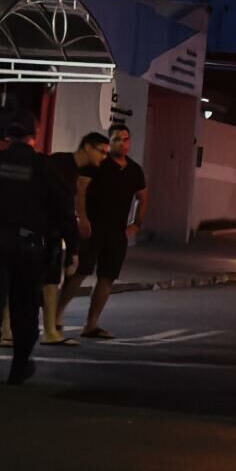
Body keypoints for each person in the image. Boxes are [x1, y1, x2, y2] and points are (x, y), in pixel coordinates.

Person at [0, 115, 80, 385]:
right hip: (28, 246)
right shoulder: (42, 167)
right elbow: (63, 208)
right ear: (34, 136)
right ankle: (19, 367)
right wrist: (73, 248)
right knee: (25, 307)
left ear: (7, 137)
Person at [63, 122, 148, 340]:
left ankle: (91, 325)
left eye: (126, 139)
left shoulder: (134, 170)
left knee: (107, 277)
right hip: (93, 228)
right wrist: (82, 219)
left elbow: (143, 196)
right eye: (117, 139)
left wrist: (136, 223)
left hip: (116, 232)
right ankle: (55, 316)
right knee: (80, 271)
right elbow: (80, 190)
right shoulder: (98, 163)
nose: (122, 143)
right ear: (109, 143)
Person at [39, 131, 108, 345]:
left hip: (51, 231)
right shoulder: (62, 166)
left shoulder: (69, 167)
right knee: (36, 280)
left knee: (50, 281)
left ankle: (49, 329)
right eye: (101, 152)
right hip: (44, 230)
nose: (104, 157)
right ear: (87, 147)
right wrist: (73, 248)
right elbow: (64, 208)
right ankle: (32, 330)